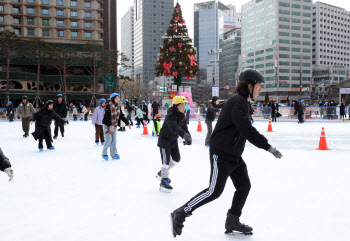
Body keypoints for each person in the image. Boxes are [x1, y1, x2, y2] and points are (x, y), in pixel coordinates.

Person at [170, 68, 282, 237]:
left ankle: (232, 221)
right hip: (221, 153)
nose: (260, 89)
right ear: (249, 86)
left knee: (244, 186)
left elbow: (242, 129)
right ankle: (181, 212)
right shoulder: (238, 102)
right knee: (214, 191)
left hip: (234, 154)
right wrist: (268, 147)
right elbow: (246, 129)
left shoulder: (243, 102)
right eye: (259, 86)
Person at [156, 96, 192, 193]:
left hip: (173, 140)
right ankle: (164, 180)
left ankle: (162, 173)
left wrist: (188, 137)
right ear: (176, 106)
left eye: (185, 105)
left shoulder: (182, 115)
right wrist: (183, 135)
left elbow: (185, 127)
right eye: (182, 105)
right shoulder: (170, 115)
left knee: (176, 159)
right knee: (165, 161)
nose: (184, 107)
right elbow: (174, 127)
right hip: (164, 140)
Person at [101, 93, 131, 160]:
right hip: (107, 125)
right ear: (113, 99)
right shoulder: (108, 106)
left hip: (114, 125)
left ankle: (114, 154)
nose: (118, 99)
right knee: (108, 140)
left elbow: (121, 116)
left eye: (118, 98)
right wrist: (110, 125)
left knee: (114, 140)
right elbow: (107, 117)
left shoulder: (118, 107)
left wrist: (127, 123)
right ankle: (104, 153)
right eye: (117, 98)